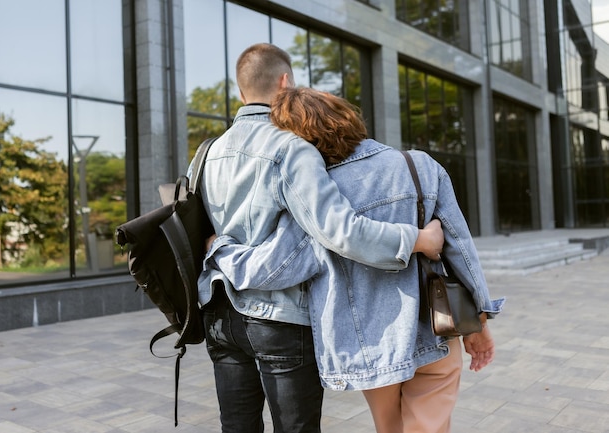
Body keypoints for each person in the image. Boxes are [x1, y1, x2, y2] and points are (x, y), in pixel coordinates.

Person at [203, 87, 505, 433]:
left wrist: (219, 249)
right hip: (435, 328)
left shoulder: (318, 198)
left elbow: (276, 268)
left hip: (370, 346)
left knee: (388, 428)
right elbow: (461, 250)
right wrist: (479, 321)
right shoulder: (420, 165)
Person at [188, 43, 445, 433]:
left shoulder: (207, 153)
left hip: (219, 313)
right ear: (285, 82)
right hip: (279, 319)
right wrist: (417, 240)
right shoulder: (291, 148)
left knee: (236, 427)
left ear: (241, 92)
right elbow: (342, 232)